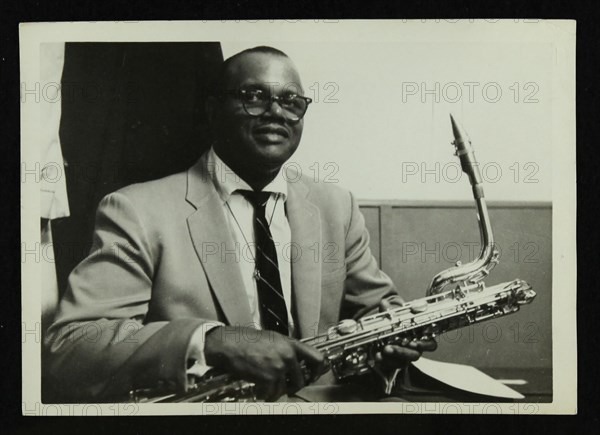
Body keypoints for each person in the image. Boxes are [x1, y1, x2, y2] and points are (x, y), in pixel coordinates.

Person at [44, 46, 436, 402]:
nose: (276, 112)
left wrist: (392, 341)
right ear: (213, 108)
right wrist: (213, 340)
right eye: (253, 96)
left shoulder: (337, 206)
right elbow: (71, 347)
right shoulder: (136, 209)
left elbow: (380, 309)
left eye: (291, 101)